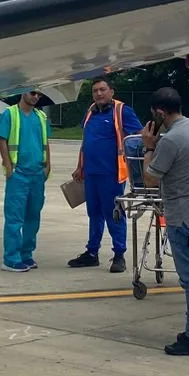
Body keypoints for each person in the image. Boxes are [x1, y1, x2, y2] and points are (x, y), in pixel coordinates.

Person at [140, 86, 189, 356]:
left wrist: (149, 146)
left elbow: (150, 178)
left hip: (184, 217)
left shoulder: (170, 140)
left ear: (160, 113)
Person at [68, 78, 143, 273]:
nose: (99, 94)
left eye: (102, 90)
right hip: (91, 173)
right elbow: (87, 141)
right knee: (94, 214)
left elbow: (139, 135)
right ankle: (92, 252)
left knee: (114, 214)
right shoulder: (91, 111)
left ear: (112, 91)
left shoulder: (122, 111)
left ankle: (119, 254)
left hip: (112, 174)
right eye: (95, 91)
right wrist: (80, 166)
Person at [0, 88, 50, 272]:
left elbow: (45, 142)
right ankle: (10, 258)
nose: (36, 97)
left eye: (39, 95)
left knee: (33, 217)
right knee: (14, 217)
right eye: (33, 93)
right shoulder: (9, 114)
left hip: (37, 173)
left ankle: (26, 254)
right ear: (23, 92)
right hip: (19, 174)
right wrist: (8, 166)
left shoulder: (41, 117)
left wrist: (47, 165)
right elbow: (2, 139)